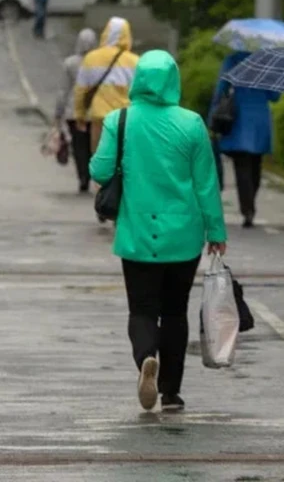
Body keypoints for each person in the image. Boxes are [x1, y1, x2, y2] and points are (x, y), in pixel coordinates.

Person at [90, 50, 228, 412]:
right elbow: (206, 185)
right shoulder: (192, 124)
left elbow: (100, 171)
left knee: (141, 309)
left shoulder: (118, 121)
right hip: (183, 235)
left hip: (136, 234)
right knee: (176, 311)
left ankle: (145, 359)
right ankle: (170, 390)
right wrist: (216, 229)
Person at [209, 51, 281, 228]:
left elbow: (221, 89)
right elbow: (275, 96)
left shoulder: (232, 60)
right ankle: (250, 206)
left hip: (239, 118)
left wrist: (213, 114)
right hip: (260, 120)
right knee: (256, 165)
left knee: (242, 166)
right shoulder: (266, 62)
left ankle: (247, 209)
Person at [73, 17, 140, 157]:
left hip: (100, 119)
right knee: (126, 160)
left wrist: (80, 115)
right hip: (126, 120)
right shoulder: (135, 62)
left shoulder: (91, 58)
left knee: (100, 160)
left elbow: (80, 90)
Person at [54, 28, 98, 193]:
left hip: (74, 110)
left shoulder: (70, 63)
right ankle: (91, 172)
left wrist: (58, 112)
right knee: (92, 144)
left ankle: (82, 175)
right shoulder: (99, 63)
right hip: (95, 110)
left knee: (78, 146)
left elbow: (63, 90)